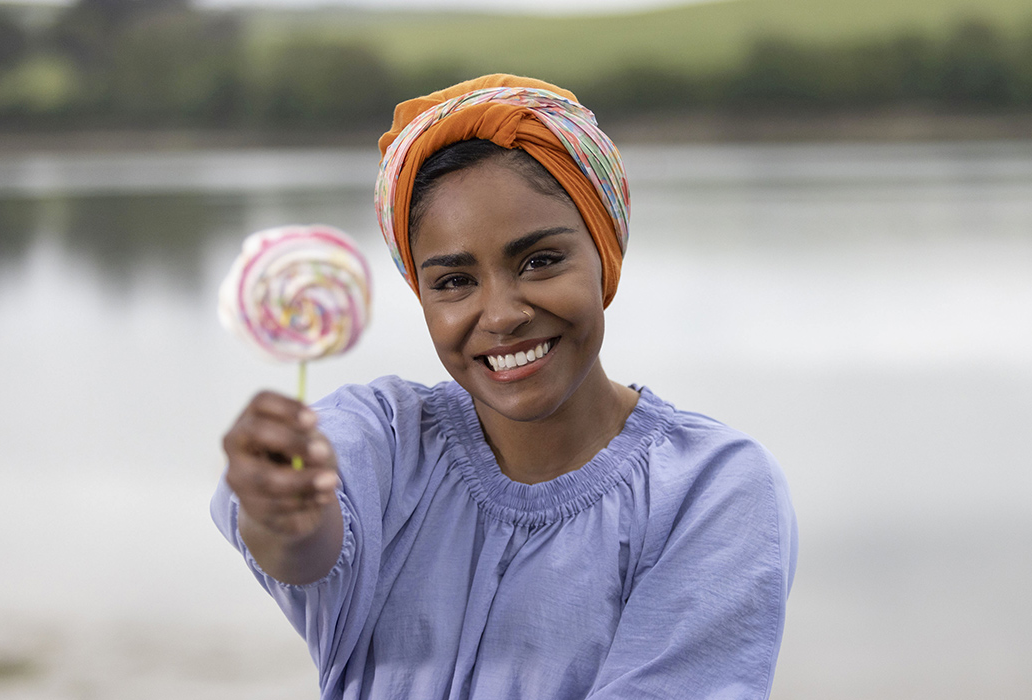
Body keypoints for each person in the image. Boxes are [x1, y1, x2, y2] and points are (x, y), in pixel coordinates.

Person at [213, 74, 798, 699]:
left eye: (540, 261)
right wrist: (284, 513)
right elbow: (304, 550)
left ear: (606, 254)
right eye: (454, 282)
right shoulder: (385, 436)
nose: (500, 315)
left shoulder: (711, 487)